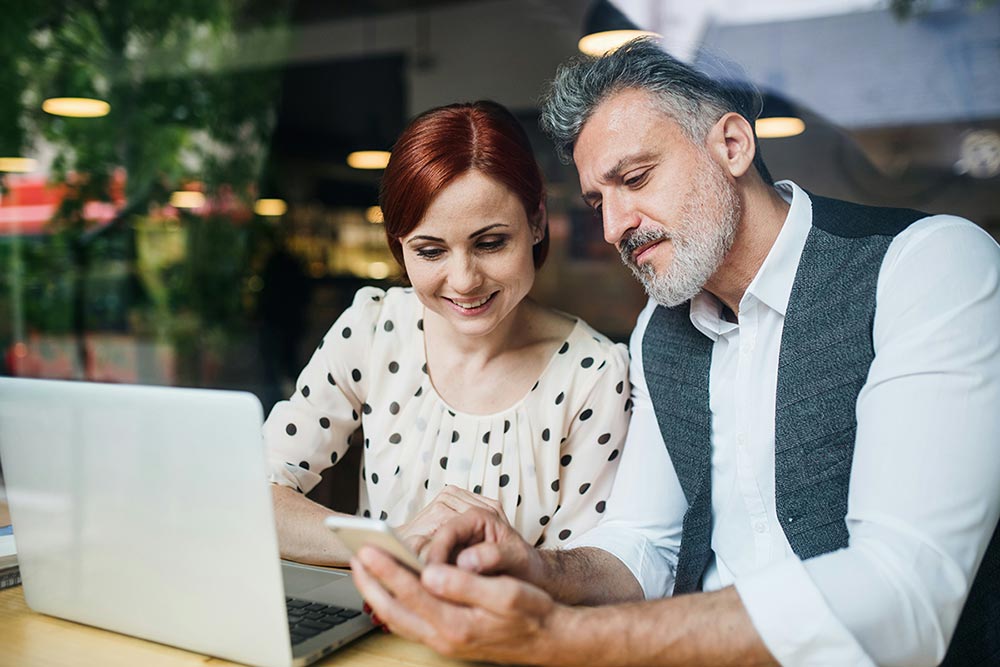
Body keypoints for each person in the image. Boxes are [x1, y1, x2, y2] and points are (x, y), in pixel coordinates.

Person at [349, 39, 1000, 667]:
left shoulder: (927, 267)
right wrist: (540, 566)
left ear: (733, 144)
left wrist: (559, 635)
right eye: (600, 200)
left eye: (634, 178)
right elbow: (642, 547)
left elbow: (905, 594)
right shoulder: (661, 330)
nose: (613, 227)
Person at [263, 100, 631, 567]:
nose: (464, 280)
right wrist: (394, 541)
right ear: (400, 247)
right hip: (378, 636)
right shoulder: (374, 329)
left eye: (491, 243)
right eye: (431, 251)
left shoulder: (593, 376)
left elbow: (585, 573)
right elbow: (256, 494)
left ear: (537, 222)